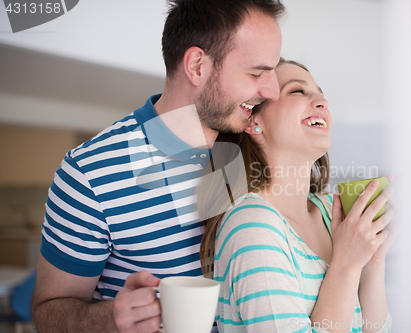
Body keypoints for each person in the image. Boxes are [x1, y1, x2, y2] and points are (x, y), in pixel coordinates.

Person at [31, 0, 285, 332]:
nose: (273, 91)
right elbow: (48, 311)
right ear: (196, 65)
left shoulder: (258, 146)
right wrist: (110, 319)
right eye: (256, 73)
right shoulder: (89, 173)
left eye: (274, 71)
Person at [199, 59, 396, 333]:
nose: (322, 101)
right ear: (253, 120)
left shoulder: (331, 211)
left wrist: (372, 259)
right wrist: (346, 265)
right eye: (297, 91)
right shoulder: (251, 226)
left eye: (319, 91)